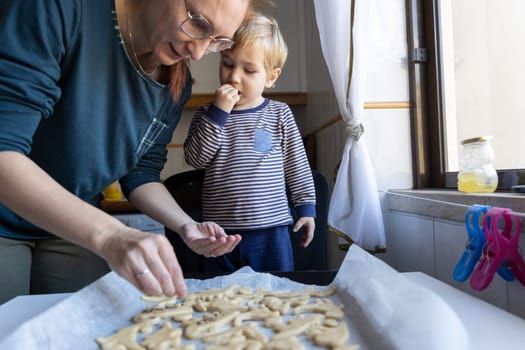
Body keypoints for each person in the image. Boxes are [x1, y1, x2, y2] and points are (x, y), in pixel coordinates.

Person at [0, 0, 274, 304]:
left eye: (216, 41)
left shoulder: (174, 85)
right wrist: (110, 235)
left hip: (73, 223)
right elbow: (4, 150)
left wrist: (186, 226)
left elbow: (141, 173)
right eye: (198, 24)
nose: (198, 52)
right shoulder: (59, 9)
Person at [184, 13, 316, 273]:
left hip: (271, 232)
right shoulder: (207, 114)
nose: (234, 77)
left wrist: (307, 208)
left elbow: (297, 166)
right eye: (227, 64)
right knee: (219, 297)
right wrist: (218, 115)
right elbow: (196, 159)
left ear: (271, 77)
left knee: (274, 296)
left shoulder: (279, 114)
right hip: (219, 234)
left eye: (249, 70)